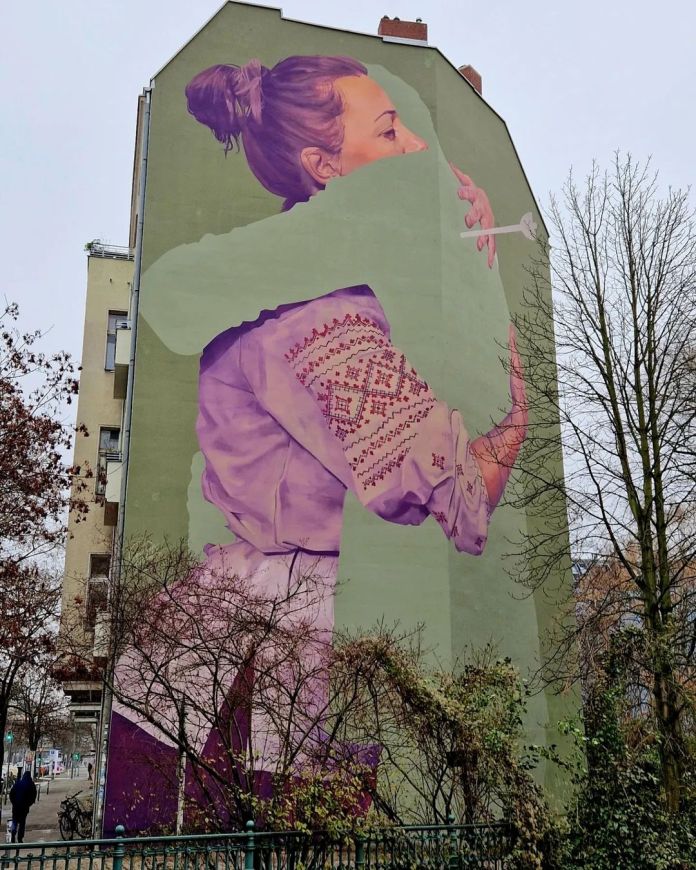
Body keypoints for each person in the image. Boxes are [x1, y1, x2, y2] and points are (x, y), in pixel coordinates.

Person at [107, 54, 527, 830]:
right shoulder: (321, 319)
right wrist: (511, 431)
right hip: (270, 682)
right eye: (391, 131)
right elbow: (450, 498)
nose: (416, 149)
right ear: (323, 165)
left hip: (198, 658)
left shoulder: (284, 284)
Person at [9, 770, 37, 843]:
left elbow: (11, 794)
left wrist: (13, 802)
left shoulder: (18, 783)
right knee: (22, 823)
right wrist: (29, 804)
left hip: (16, 807)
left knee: (14, 821)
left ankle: (13, 834)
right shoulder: (31, 784)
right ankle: (20, 838)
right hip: (24, 808)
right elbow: (33, 795)